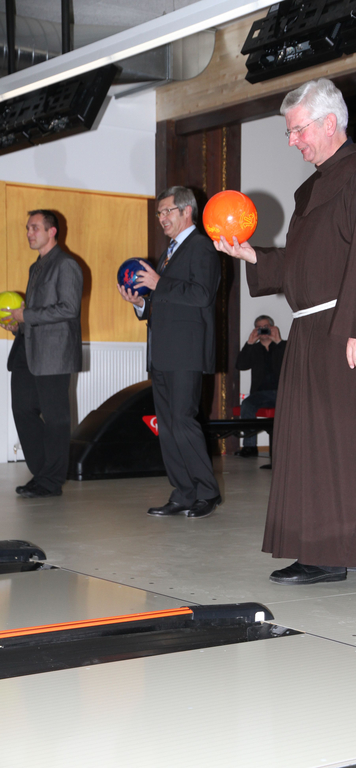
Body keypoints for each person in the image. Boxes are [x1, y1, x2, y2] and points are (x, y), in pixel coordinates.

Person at [215, 78, 356, 585]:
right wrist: (252, 255)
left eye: (297, 130)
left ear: (329, 122)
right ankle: (355, 544)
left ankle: (326, 554)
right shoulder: (317, 187)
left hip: (344, 328)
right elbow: (303, 265)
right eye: (289, 132)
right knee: (318, 442)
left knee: (336, 442)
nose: (293, 141)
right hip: (312, 329)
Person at [117, 186, 221, 519]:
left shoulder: (201, 246)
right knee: (168, 425)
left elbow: (202, 295)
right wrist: (141, 303)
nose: (161, 218)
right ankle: (183, 492)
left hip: (186, 351)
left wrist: (158, 283)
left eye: (167, 211)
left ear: (187, 211)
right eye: (159, 213)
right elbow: (166, 302)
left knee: (183, 422)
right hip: (163, 351)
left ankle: (207, 492)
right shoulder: (169, 253)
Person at [4, 210, 83, 498]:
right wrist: (18, 325)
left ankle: (50, 482)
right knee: (22, 410)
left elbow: (69, 308)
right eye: (27, 228)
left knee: (56, 419)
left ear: (52, 231)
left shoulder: (66, 264)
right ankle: (43, 475)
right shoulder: (35, 267)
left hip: (54, 353)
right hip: (27, 350)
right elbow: (37, 313)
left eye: (35, 228)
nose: (29, 233)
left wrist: (26, 315)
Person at [235, 314, 286, 457]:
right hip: (259, 394)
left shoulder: (283, 346)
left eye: (266, 327)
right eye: (259, 327)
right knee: (247, 405)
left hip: (282, 393)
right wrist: (249, 343)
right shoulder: (254, 349)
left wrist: (278, 341)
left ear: (273, 328)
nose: (263, 330)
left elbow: (292, 363)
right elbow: (240, 365)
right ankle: (249, 447)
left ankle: (288, 448)